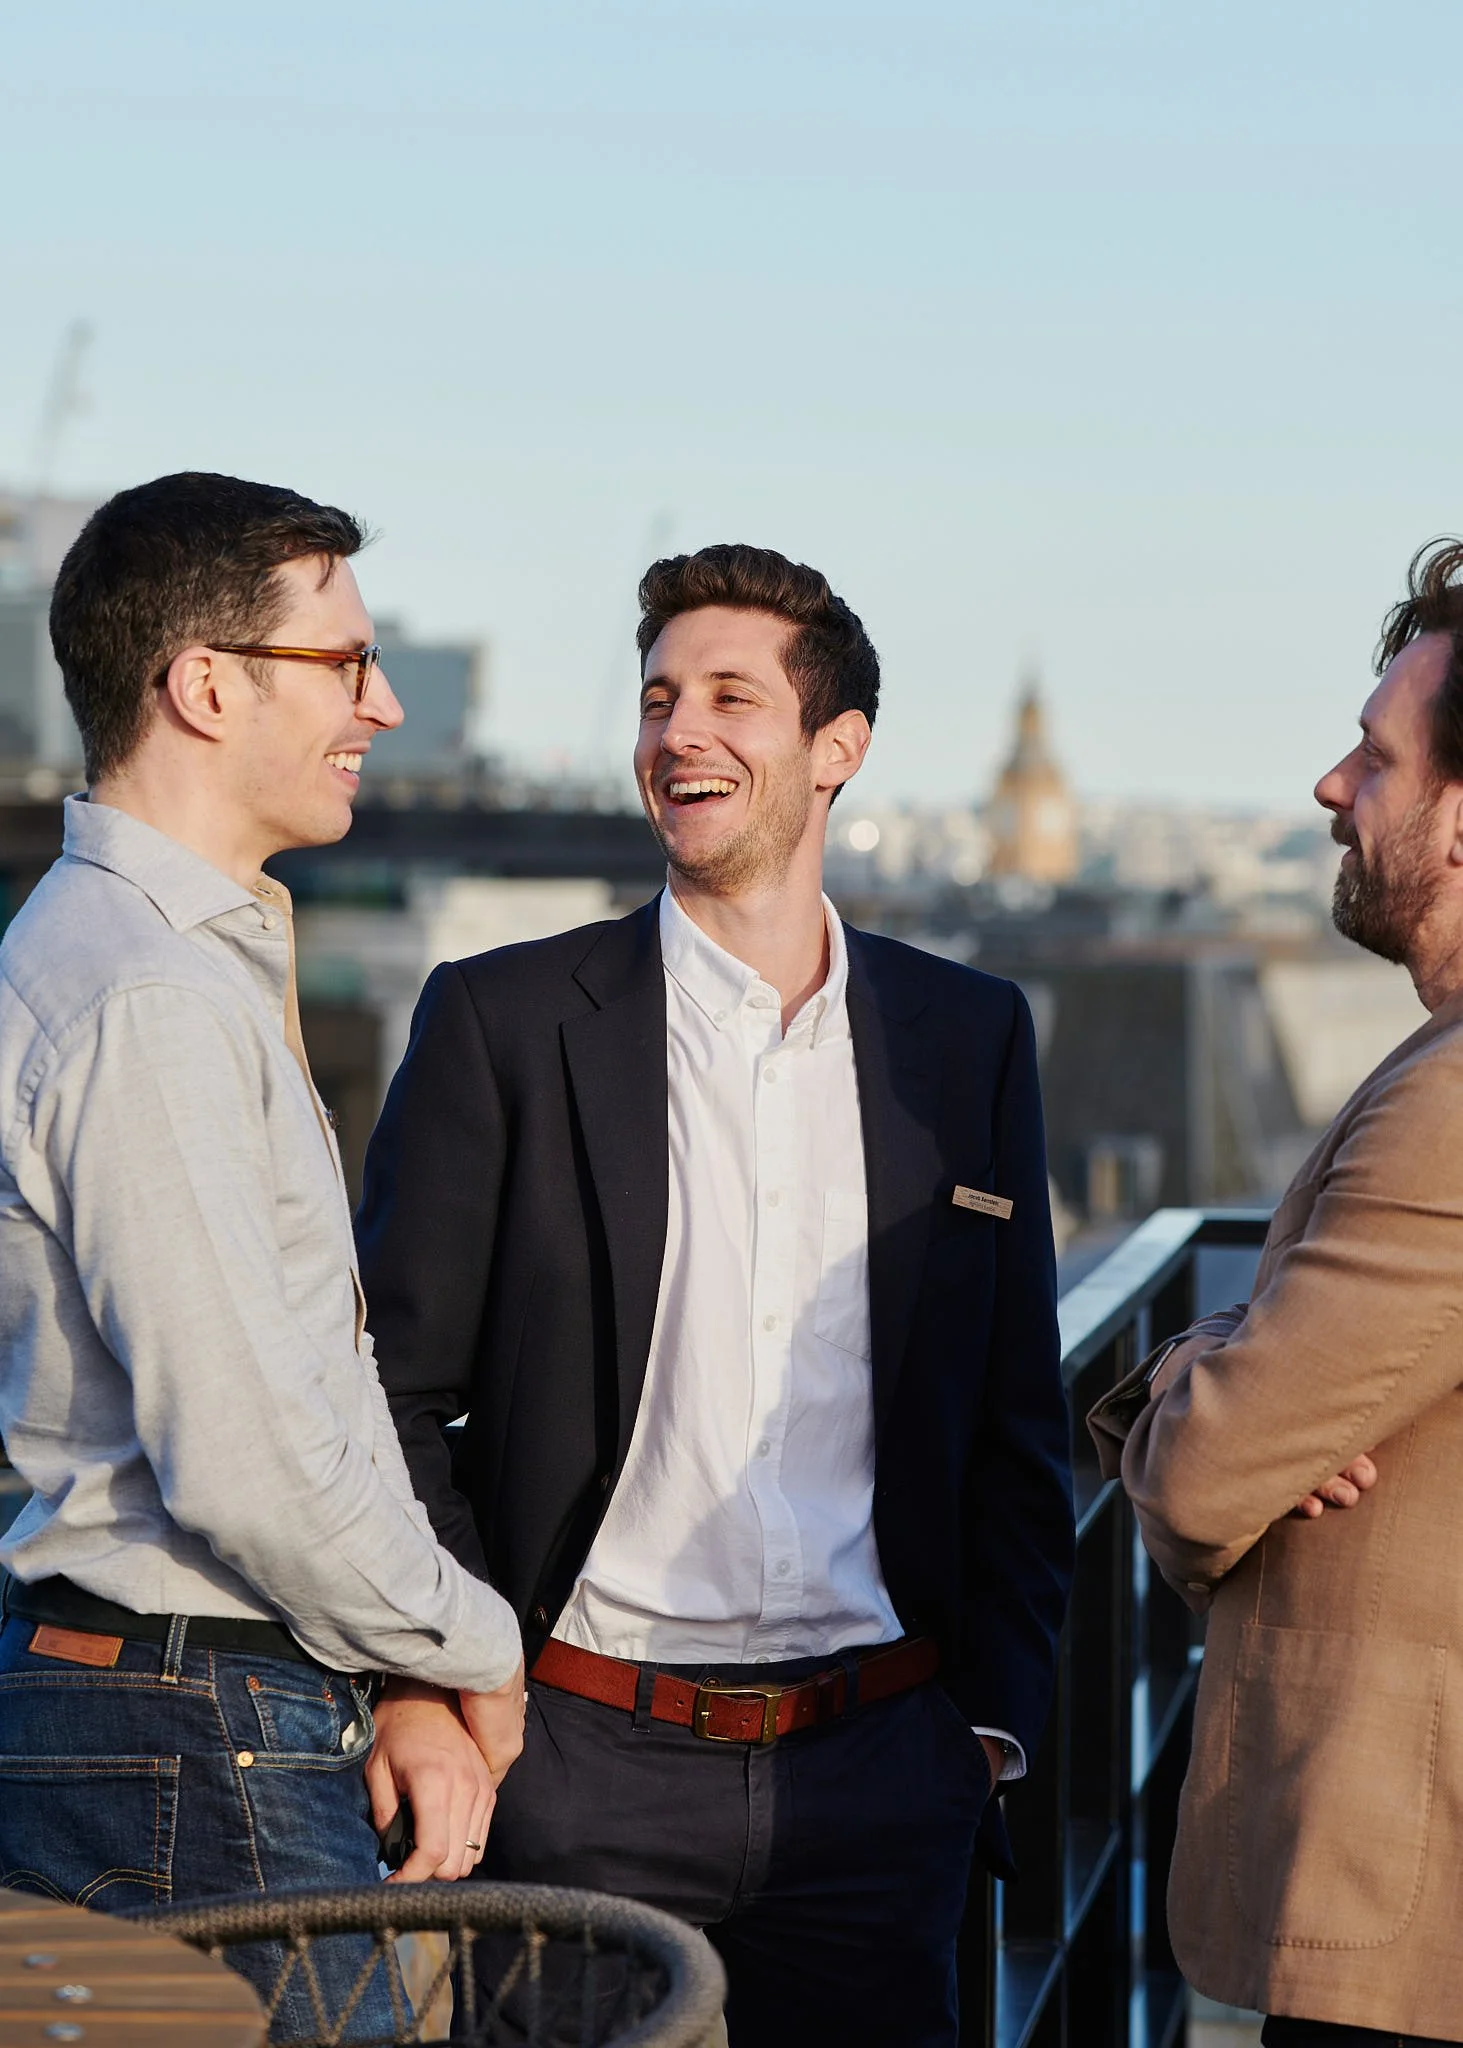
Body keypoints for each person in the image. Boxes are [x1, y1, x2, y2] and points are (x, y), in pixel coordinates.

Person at [357, 543, 1076, 2047]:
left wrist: (986, 1731)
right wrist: (462, 1687)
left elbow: (1015, 1409)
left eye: (730, 698)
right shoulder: (503, 1021)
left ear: (837, 751)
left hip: (882, 1768)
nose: (678, 733)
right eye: (658, 699)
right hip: (579, 1762)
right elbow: (390, 1395)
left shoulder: (968, 1037)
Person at [0, 473, 524, 2039]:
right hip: (189, 1728)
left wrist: (408, 1672)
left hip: (179, 1710)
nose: (382, 701)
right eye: (344, 663)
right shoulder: (147, 999)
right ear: (206, 685)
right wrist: (472, 1647)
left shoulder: (135, 959)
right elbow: (246, 1451)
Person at [1089, 537, 1463, 2047]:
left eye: (1375, 756)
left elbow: (1201, 1477)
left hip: (1404, 1922)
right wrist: (1233, 1364)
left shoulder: (1450, 1102)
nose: (1328, 786)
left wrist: (1190, 1383)